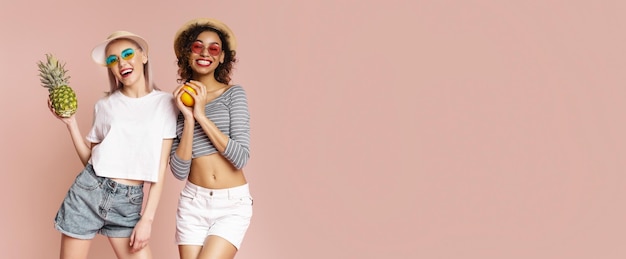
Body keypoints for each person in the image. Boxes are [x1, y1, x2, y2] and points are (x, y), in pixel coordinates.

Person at [49, 31, 178, 259]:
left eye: (127, 54)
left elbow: (161, 167)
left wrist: (147, 219)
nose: (121, 63)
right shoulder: (104, 105)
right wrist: (71, 124)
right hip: (88, 192)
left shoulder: (166, 103)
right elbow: (92, 160)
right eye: (112, 59)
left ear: (144, 56)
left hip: (128, 203)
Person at [170, 18, 253, 259]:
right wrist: (187, 118)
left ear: (222, 57)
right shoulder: (176, 102)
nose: (205, 53)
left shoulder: (233, 94)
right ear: (188, 53)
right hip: (193, 202)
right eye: (197, 46)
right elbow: (178, 171)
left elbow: (240, 157)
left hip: (231, 204)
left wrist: (201, 116)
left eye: (213, 48)